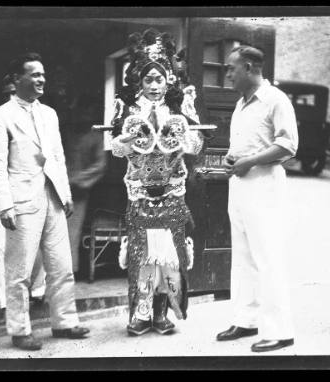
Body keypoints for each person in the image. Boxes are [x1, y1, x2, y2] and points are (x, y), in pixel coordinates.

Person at [0, 52, 89, 351]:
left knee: (61, 265)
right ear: (16, 80)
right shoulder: (0, 117)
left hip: (53, 198)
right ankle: (20, 330)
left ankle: (65, 322)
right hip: (20, 200)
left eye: (43, 74)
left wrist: (66, 193)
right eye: (34, 74)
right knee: (19, 271)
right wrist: (4, 205)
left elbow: (56, 157)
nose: (41, 79)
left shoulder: (49, 114)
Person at [111, 29, 203, 336]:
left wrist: (184, 136)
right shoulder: (128, 110)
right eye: (148, 79)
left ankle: (163, 313)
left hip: (172, 189)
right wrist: (127, 137)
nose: (153, 85)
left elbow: (197, 145)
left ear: (169, 81)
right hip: (139, 191)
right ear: (139, 81)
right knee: (143, 253)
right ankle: (141, 311)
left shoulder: (179, 109)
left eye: (159, 79)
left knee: (168, 255)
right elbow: (117, 149)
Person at [217, 45, 298, 353]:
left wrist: (250, 161)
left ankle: (280, 331)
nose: (227, 74)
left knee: (268, 259)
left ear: (249, 67)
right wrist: (234, 157)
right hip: (240, 186)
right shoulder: (241, 104)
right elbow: (251, 144)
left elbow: (288, 145)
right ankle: (246, 319)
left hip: (264, 186)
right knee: (243, 256)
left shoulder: (276, 100)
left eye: (231, 69)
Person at [0, 75, 47, 324]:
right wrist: (4, 203)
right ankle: (8, 301)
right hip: (10, 193)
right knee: (6, 248)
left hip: (36, 191)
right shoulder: (1, 120)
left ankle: (37, 292)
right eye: (9, 93)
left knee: (37, 249)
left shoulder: (39, 119)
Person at [64, 94, 107, 274]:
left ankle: (68, 272)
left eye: (88, 112)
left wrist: (78, 180)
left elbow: (100, 165)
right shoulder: (68, 133)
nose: (84, 115)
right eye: (82, 111)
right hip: (58, 187)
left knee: (71, 233)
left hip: (79, 191)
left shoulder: (96, 136)